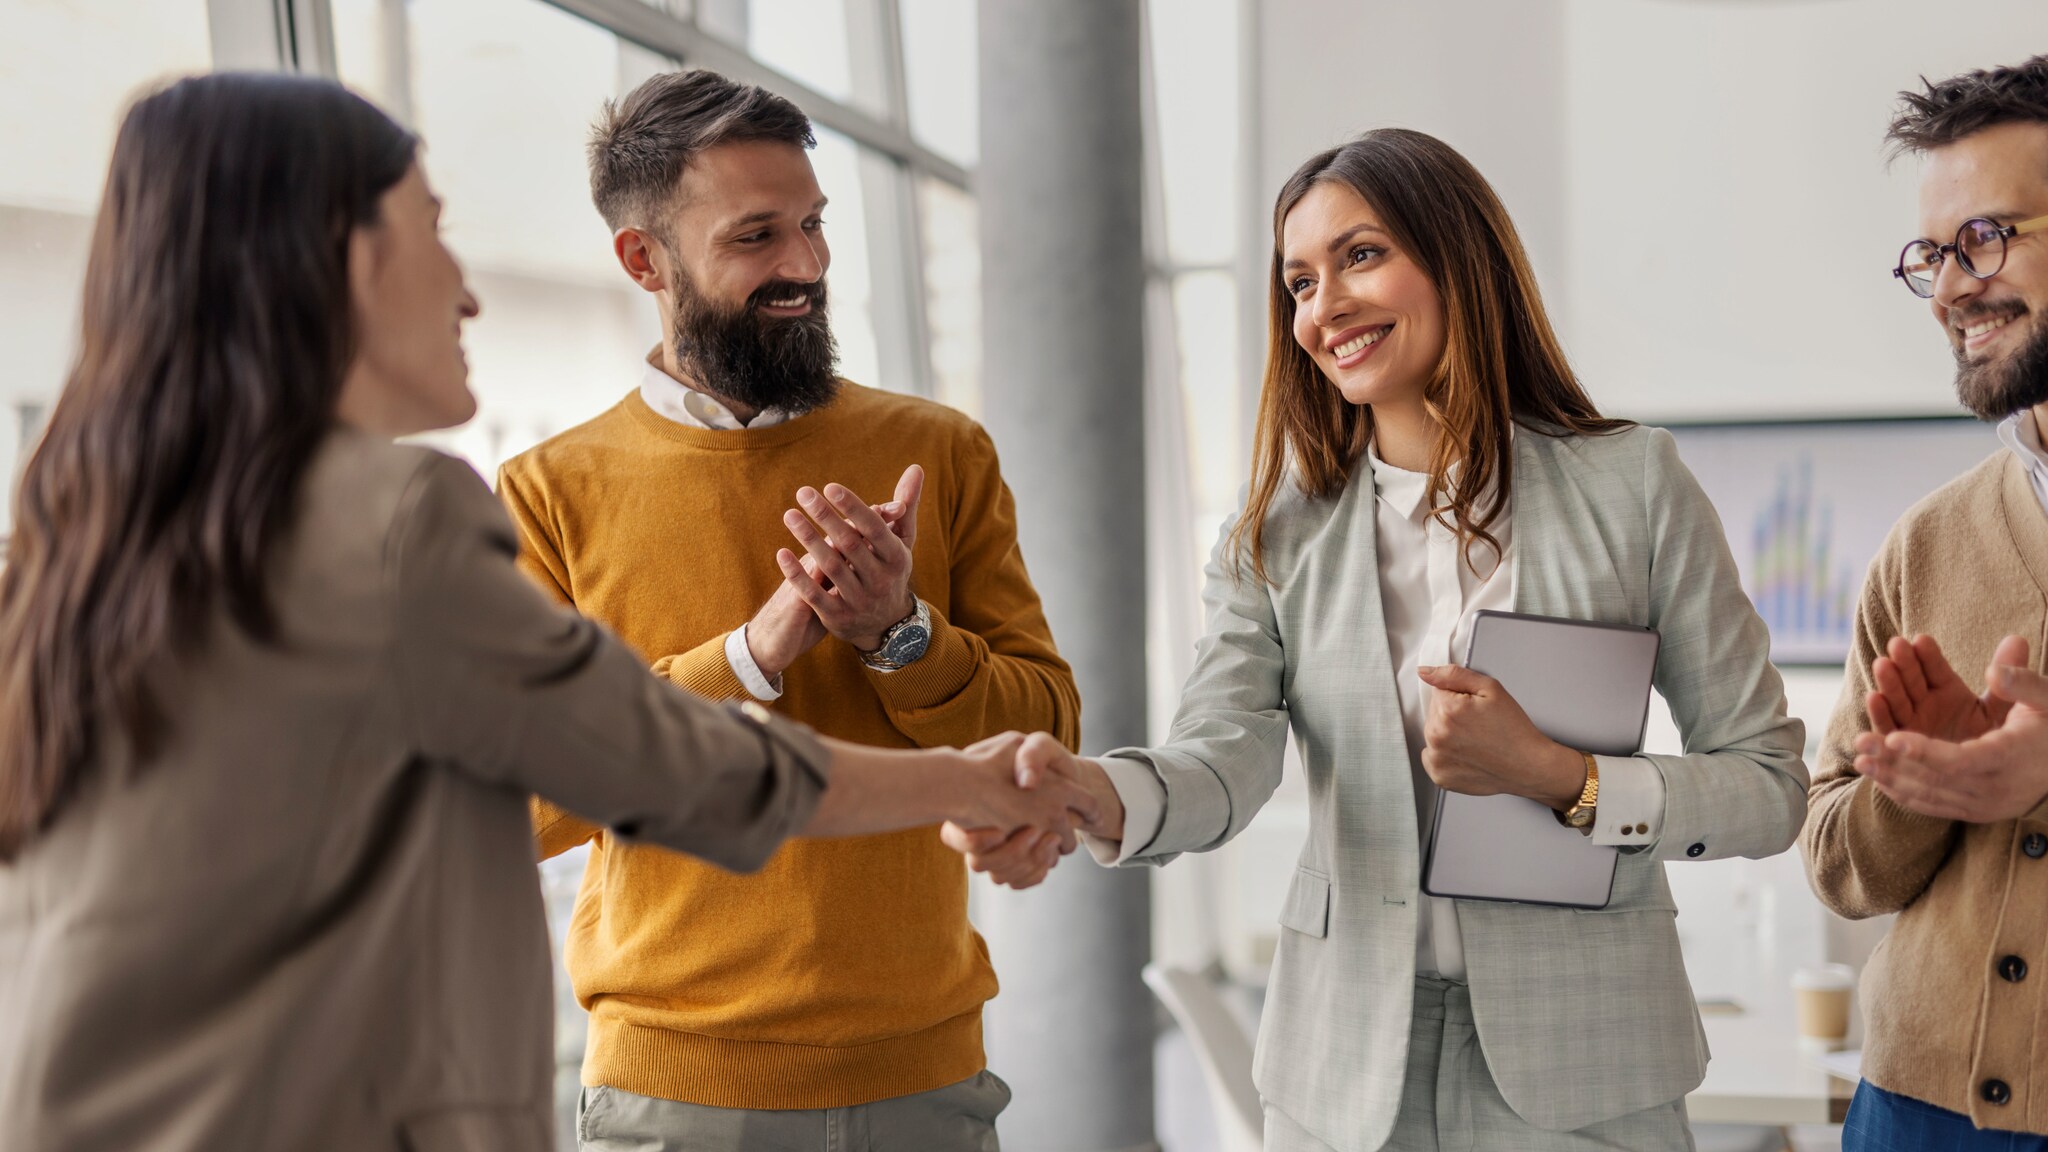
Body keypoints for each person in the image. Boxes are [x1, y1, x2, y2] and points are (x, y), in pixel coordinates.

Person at [0, 73, 1094, 1152]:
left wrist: (902, 641)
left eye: (812, 225)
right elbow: (649, 764)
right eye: (430, 229)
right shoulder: (418, 514)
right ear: (339, 259)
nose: (469, 292)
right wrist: (948, 765)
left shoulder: (73, 544)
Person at [957, 128, 1809, 1151]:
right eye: (1299, 282)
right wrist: (1095, 793)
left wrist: (1562, 777)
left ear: (1458, 258)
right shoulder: (1272, 532)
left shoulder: (1630, 487)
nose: (1324, 307)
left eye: (1360, 255)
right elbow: (1221, 759)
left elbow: (1767, 785)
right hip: (1342, 1072)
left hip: (1587, 1061)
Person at [493, 69, 1081, 1151]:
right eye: (756, 235)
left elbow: (1045, 737)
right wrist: (749, 658)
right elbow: (513, 807)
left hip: (924, 1069)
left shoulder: (939, 450)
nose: (804, 265)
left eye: (812, 225)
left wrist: (900, 638)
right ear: (643, 260)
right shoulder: (547, 492)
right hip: (673, 1087)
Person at [1800, 54, 2048, 1151]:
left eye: (1985, 238)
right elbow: (1832, 860)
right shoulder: (1923, 544)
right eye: (1931, 255)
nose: (1949, 288)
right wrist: (1923, 785)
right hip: (1911, 1112)